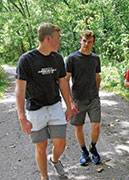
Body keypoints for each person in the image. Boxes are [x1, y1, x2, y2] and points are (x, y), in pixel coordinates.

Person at [15, 22, 72, 180]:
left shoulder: (58, 58)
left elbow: (63, 82)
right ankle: (44, 177)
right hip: (35, 110)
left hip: (54, 106)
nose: (59, 41)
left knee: (60, 143)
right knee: (41, 147)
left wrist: (68, 105)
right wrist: (22, 117)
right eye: (58, 38)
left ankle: (54, 160)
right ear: (48, 38)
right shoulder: (26, 60)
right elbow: (19, 90)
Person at [65, 30, 101, 166]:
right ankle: (84, 152)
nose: (86, 44)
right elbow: (65, 80)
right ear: (80, 40)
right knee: (78, 127)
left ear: (93, 43)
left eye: (89, 42)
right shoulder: (72, 58)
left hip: (93, 99)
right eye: (84, 41)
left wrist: (96, 93)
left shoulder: (95, 58)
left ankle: (93, 147)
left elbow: (97, 77)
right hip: (78, 99)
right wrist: (70, 101)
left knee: (96, 126)